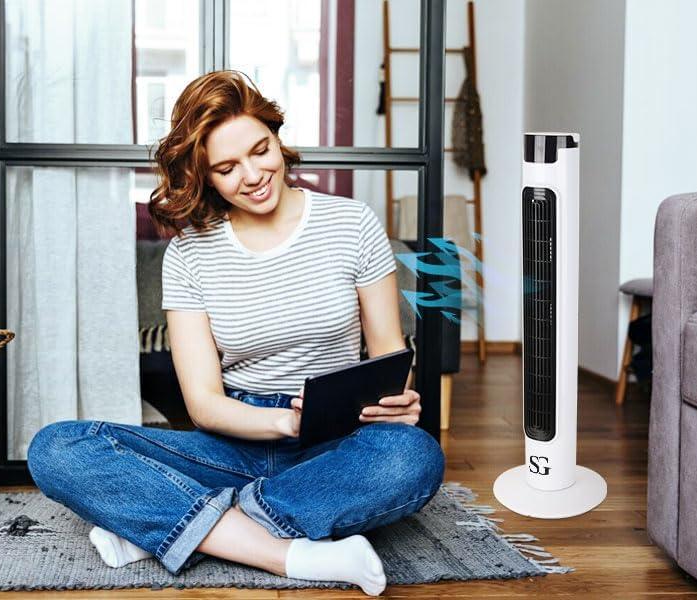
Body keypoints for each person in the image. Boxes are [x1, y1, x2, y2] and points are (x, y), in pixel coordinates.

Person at [27, 70, 446, 597]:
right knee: (56, 448)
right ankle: (284, 551)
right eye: (227, 168)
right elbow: (202, 403)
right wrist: (283, 420)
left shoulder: (352, 223)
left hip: (337, 437)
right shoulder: (189, 254)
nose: (253, 175)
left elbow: (387, 349)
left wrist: (394, 402)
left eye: (261, 149)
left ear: (277, 137)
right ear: (204, 176)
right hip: (233, 441)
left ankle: (176, 527)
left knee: (414, 456)